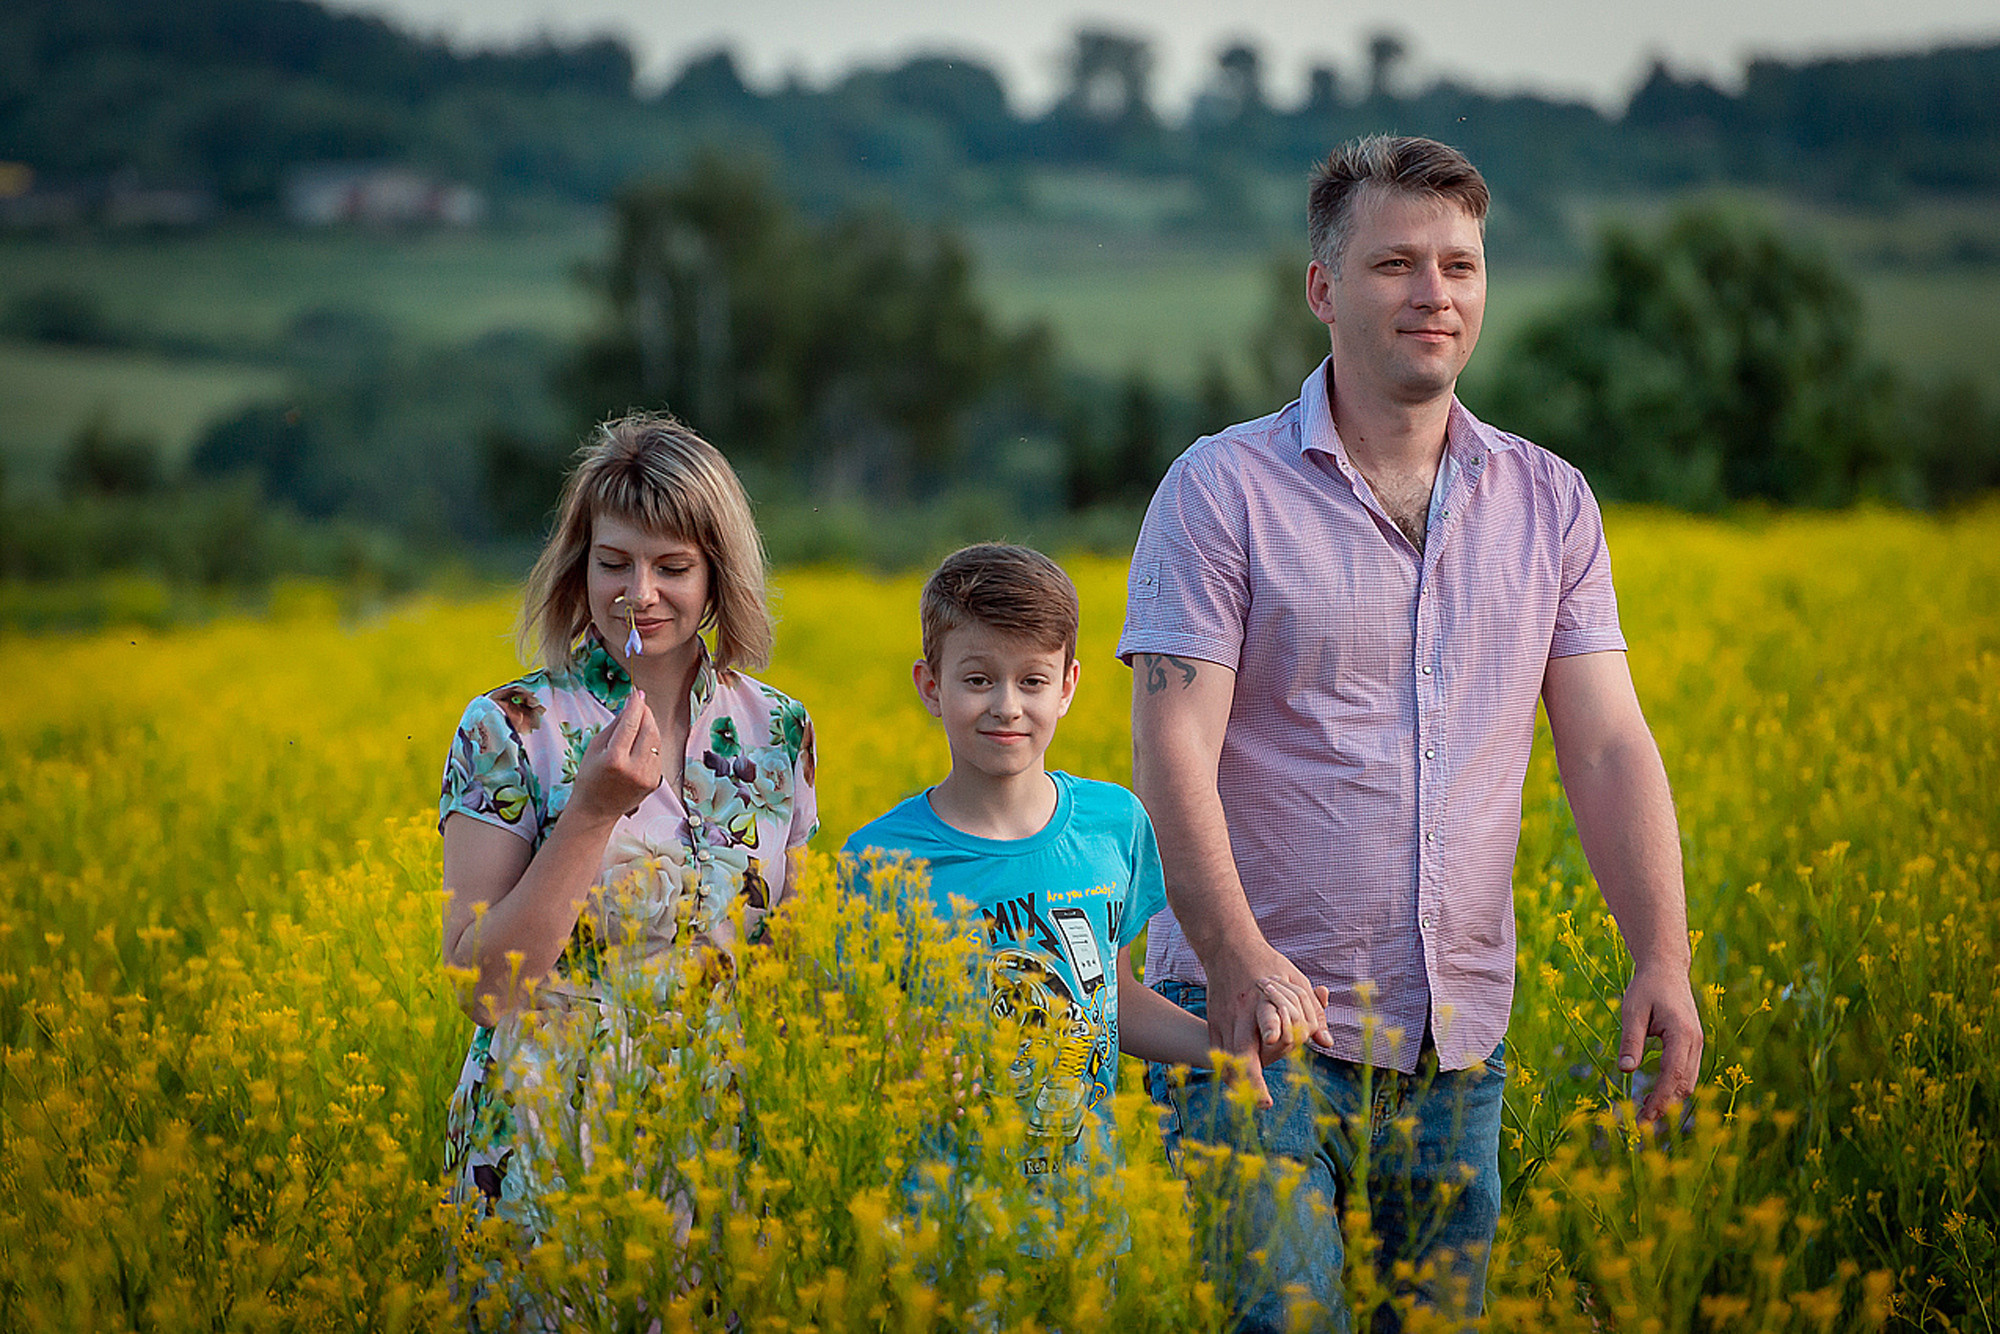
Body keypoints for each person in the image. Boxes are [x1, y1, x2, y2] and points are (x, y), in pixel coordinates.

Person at [1120, 135, 1704, 1331]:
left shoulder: (1548, 500)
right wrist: (1234, 955)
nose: (1433, 294)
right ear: (1323, 289)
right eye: (1395, 263)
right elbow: (1171, 746)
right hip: (1258, 1041)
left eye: (1460, 266)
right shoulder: (1218, 490)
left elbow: (1606, 744)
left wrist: (1662, 952)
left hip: (1454, 1055)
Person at [438, 412, 817, 1233]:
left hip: (721, 1158)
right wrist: (590, 814)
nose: (638, 594)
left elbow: (790, 955)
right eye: (613, 562)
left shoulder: (780, 732)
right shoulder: (509, 728)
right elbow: (483, 989)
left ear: (720, 577)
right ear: (578, 572)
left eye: (672, 567)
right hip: (543, 1156)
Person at [841, 543, 1319, 1179]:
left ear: (1067, 686)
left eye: (1032, 680)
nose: (1007, 705)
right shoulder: (880, 860)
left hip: (1085, 1216)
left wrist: (1226, 1050)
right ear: (932, 687)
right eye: (978, 679)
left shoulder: (1112, 826)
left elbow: (1111, 1000)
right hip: (942, 1219)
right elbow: (850, 1041)